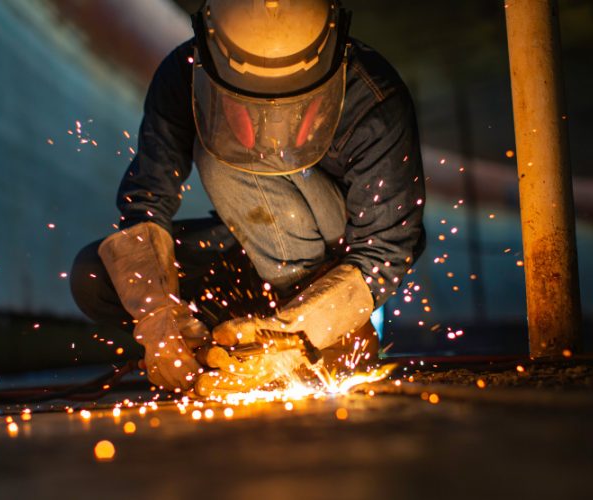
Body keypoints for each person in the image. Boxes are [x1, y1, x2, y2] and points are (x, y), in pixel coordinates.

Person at [70, 0, 425, 396]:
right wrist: (161, 321)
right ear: (210, 53)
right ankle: (223, 344)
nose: (269, 121)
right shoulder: (184, 73)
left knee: (234, 156)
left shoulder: (373, 98)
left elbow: (387, 248)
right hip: (249, 247)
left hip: (331, 261)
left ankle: (322, 337)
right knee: (96, 277)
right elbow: (146, 205)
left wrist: (297, 333)